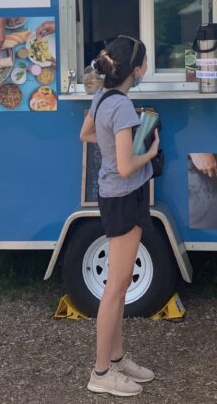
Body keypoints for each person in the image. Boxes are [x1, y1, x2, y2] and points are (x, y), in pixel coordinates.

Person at [78, 34, 160, 397]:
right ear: (136, 69)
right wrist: (150, 149)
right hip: (125, 196)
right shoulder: (124, 107)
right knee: (116, 287)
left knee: (121, 283)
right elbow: (127, 167)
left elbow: (86, 134)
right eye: (145, 63)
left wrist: (114, 144)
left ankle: (117, 358)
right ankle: (100, 372)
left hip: (113, 195)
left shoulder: (101, 97)